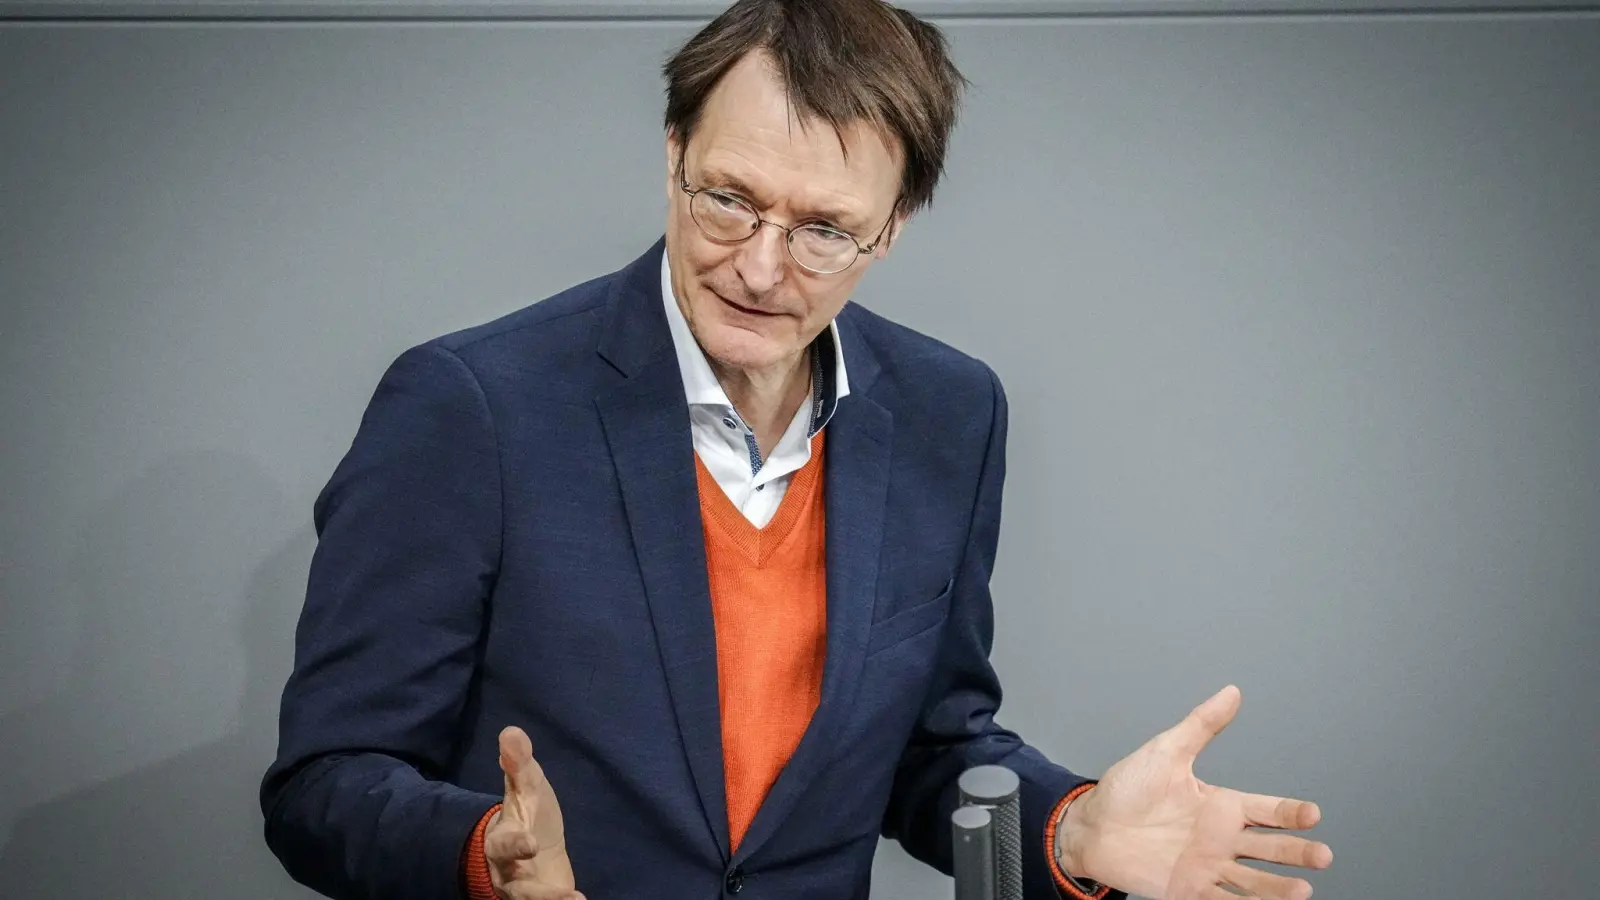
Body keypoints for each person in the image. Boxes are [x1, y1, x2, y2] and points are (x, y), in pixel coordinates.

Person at [260, 2, 1334, 898]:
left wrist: (1074, 829)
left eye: (825, 229)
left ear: (896, 222)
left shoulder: (951, 413)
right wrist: (475, 852)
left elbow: (928, 750)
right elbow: (324, 783)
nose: (763, 269)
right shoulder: (471, 406)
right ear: (674, 152)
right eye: (729, 200)